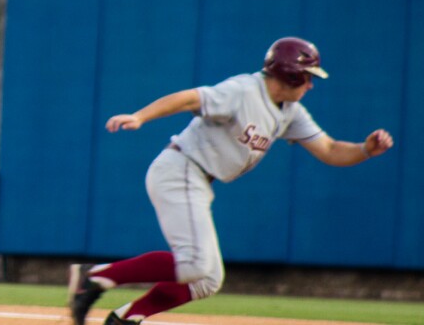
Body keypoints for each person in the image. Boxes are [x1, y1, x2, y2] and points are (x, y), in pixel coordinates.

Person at [68, 37, 394, 325]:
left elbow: (330, 150)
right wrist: (140, 116)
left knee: (206, 279)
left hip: (197, 179)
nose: (310, 84)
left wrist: (365, 149)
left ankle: (127, 318)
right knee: (195, 264)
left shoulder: (290, 111)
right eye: (308, 77)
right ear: (291, 74)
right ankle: (96, 276)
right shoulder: (243, 91)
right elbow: (189, 99)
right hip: (181, 168)